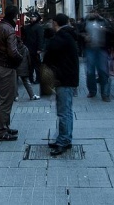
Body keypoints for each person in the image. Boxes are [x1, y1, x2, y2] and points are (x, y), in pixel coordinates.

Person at [43, 14, 79, 156]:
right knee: (67, 111)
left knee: (63, 112)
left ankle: (63, 141)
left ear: (55, 22)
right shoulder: (68, 35)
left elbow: (49, 56)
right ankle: (65, 138)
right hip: (68, 78)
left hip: (64, 78)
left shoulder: (61, 38)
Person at [0, 5, 22, 141]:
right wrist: (20, 59)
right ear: (14, 16)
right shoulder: (9, 29)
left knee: (4, 98)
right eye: (17, 15)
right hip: (6, 68)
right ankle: (1, 131)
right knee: (6, 101)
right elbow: (13, 52)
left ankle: (5, 126)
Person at [81, 9, 113, 102]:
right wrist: (84, 36)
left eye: (95, 12)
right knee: (90, 72)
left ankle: (105, 93)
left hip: (102, 49)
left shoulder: (104, 21)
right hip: (89, 48)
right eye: (91, 12)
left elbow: (111, 32)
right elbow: (79, 32)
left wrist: (105, 30)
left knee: (103, 71)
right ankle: (92, 90)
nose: (93, 14)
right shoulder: (85, 22)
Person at [22, 12, 44, 84]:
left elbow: (40, 38)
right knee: (30, 65)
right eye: (31, 17)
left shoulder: (39, 27)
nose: (32, 18)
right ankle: (31, 78)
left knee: (37, 65)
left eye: (33, 17)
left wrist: (39, 49)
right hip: (29, 48)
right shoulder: (27, 27)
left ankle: (38, 79)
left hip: (35, 49)